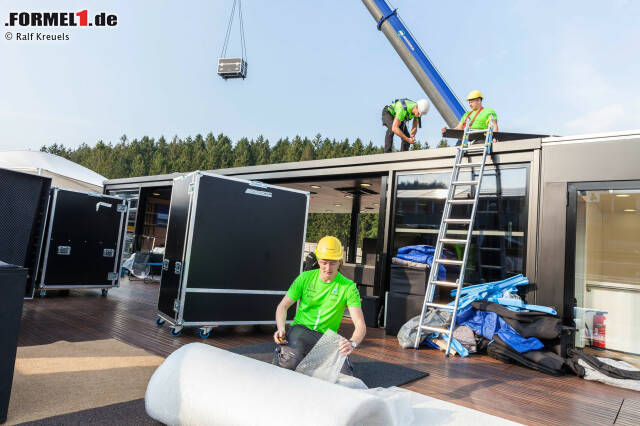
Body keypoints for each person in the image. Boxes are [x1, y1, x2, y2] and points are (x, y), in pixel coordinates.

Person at [273, 236, 366, 371]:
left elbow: (360, 325)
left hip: (326, 337)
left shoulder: (349, 287)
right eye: (324, 262)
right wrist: (281, 328)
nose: (328, 268)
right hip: (301, 329)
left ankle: (310, 361)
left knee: (344, 374)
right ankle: (289, 354)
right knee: (288, 364)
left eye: (333, 263)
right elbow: (282, 306)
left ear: (340, 261)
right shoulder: (305, 278)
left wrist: (352, 343)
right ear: (318, 259)